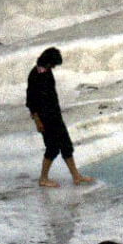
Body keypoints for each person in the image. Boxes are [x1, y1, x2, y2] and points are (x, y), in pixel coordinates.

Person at [26, 47, 93, 188]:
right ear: (48, 62)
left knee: (66, 145)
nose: (54, 67)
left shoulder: (47, 71)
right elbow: (31, 101)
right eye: (53, 64)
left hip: (55, 116)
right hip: (45, 119)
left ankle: (76, 176)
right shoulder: (35, 75)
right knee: (52, 147)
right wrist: (37, 121)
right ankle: (43, 178)